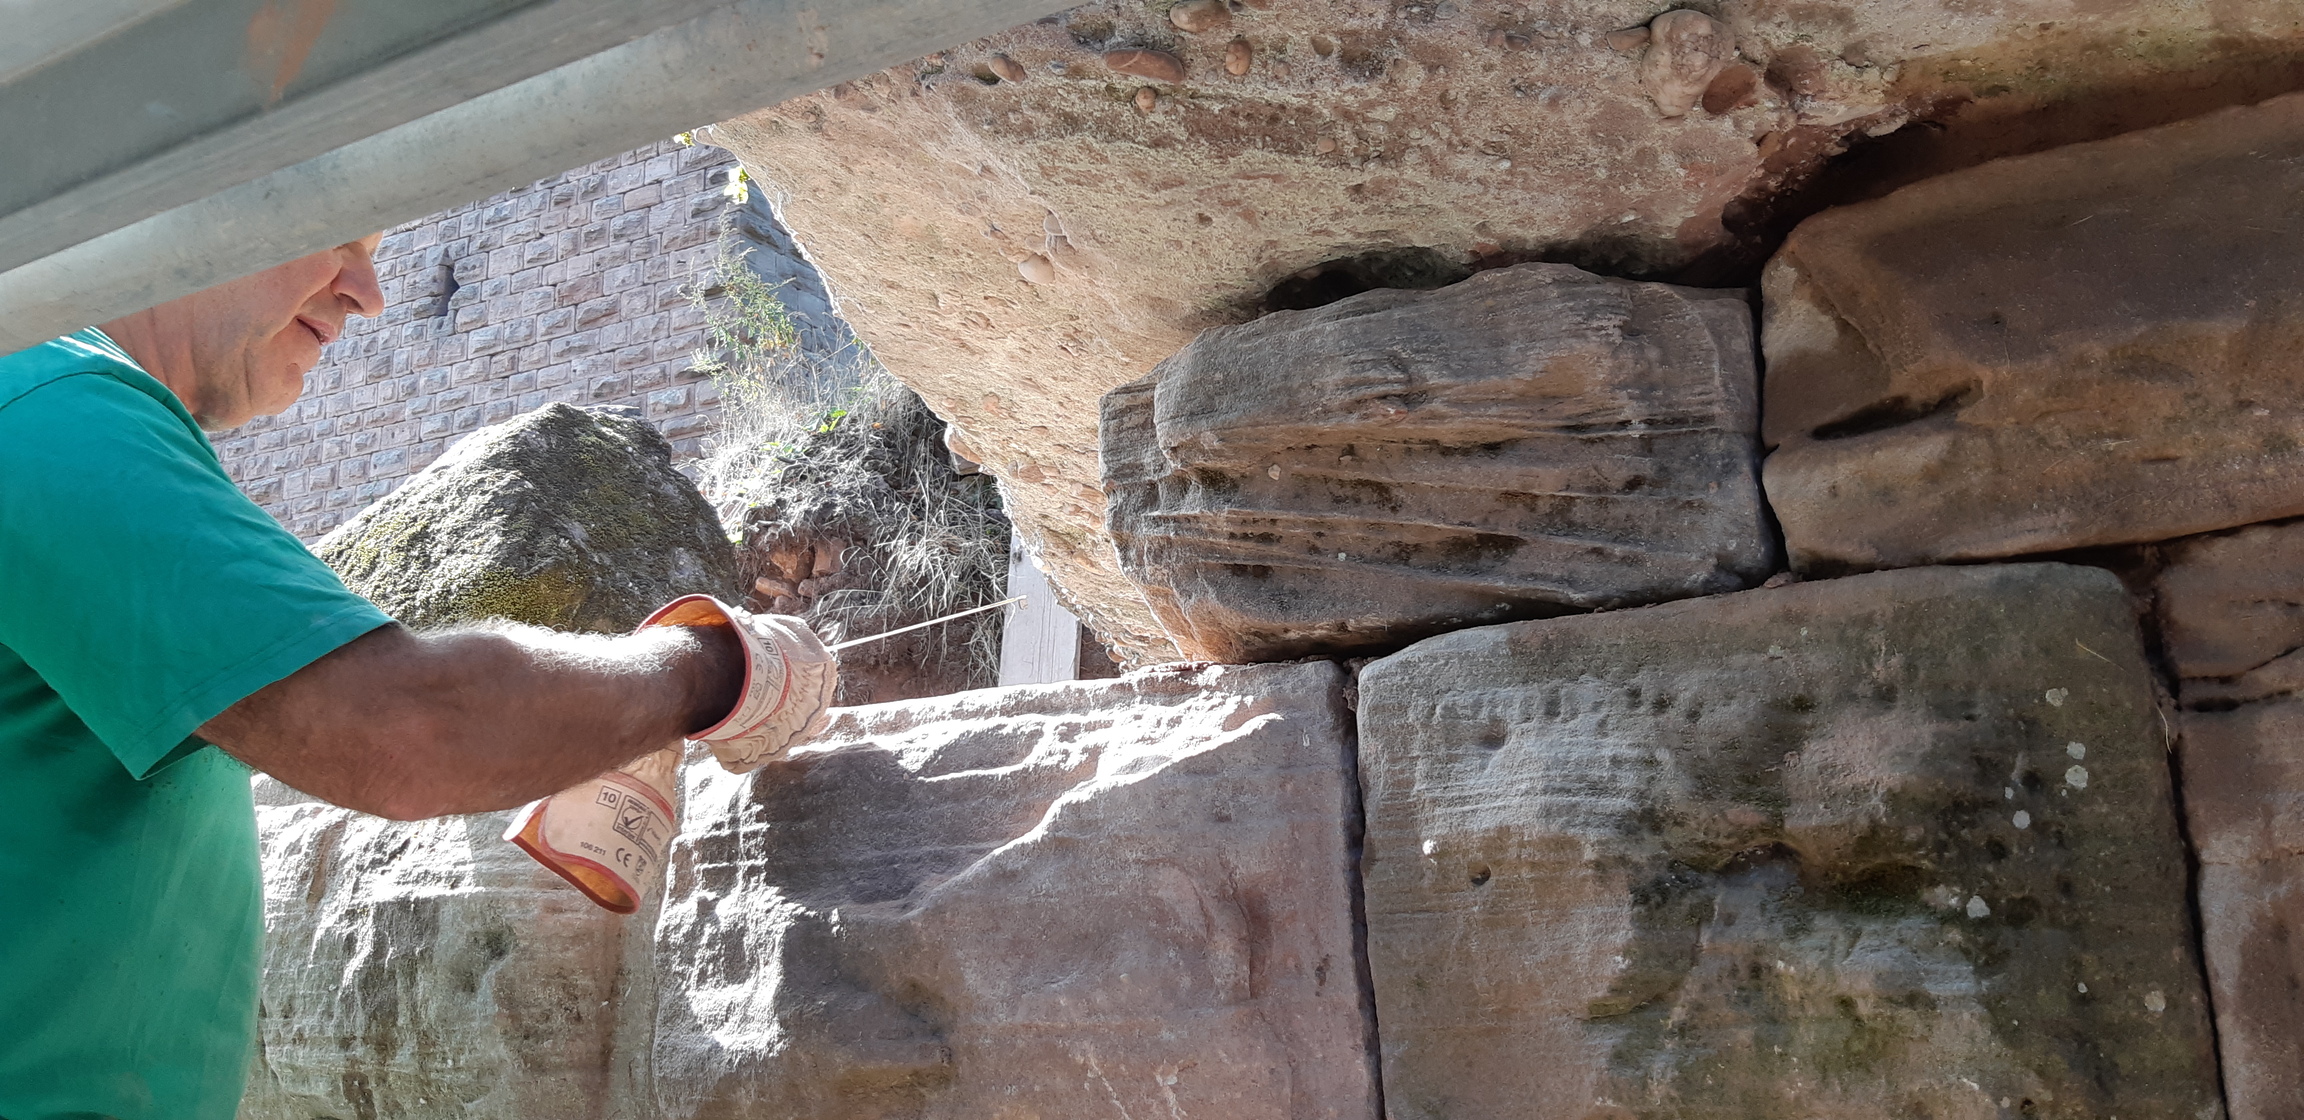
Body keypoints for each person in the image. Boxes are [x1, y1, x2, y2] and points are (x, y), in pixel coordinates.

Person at [0, 236, 836, 1119]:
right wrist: (706, 667)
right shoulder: (50, 406)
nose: (368, 294)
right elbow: (401, 731)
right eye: (336, 233)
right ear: (184, 201)